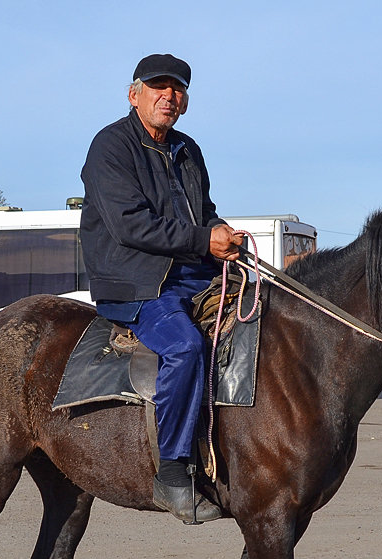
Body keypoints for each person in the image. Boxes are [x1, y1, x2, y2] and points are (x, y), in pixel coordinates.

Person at [80, 53, 244, 524]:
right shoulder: (109, 147)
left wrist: (220, 231)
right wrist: (201, 239)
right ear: (135, 95)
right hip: (135, 280)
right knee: (187, 347)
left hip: (190, 271)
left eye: (177, 90)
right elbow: (130, 225)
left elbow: (202, 212)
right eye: (158, 87)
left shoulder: (188, 149)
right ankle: (172, 471)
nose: (168, 96)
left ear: (186, 102)